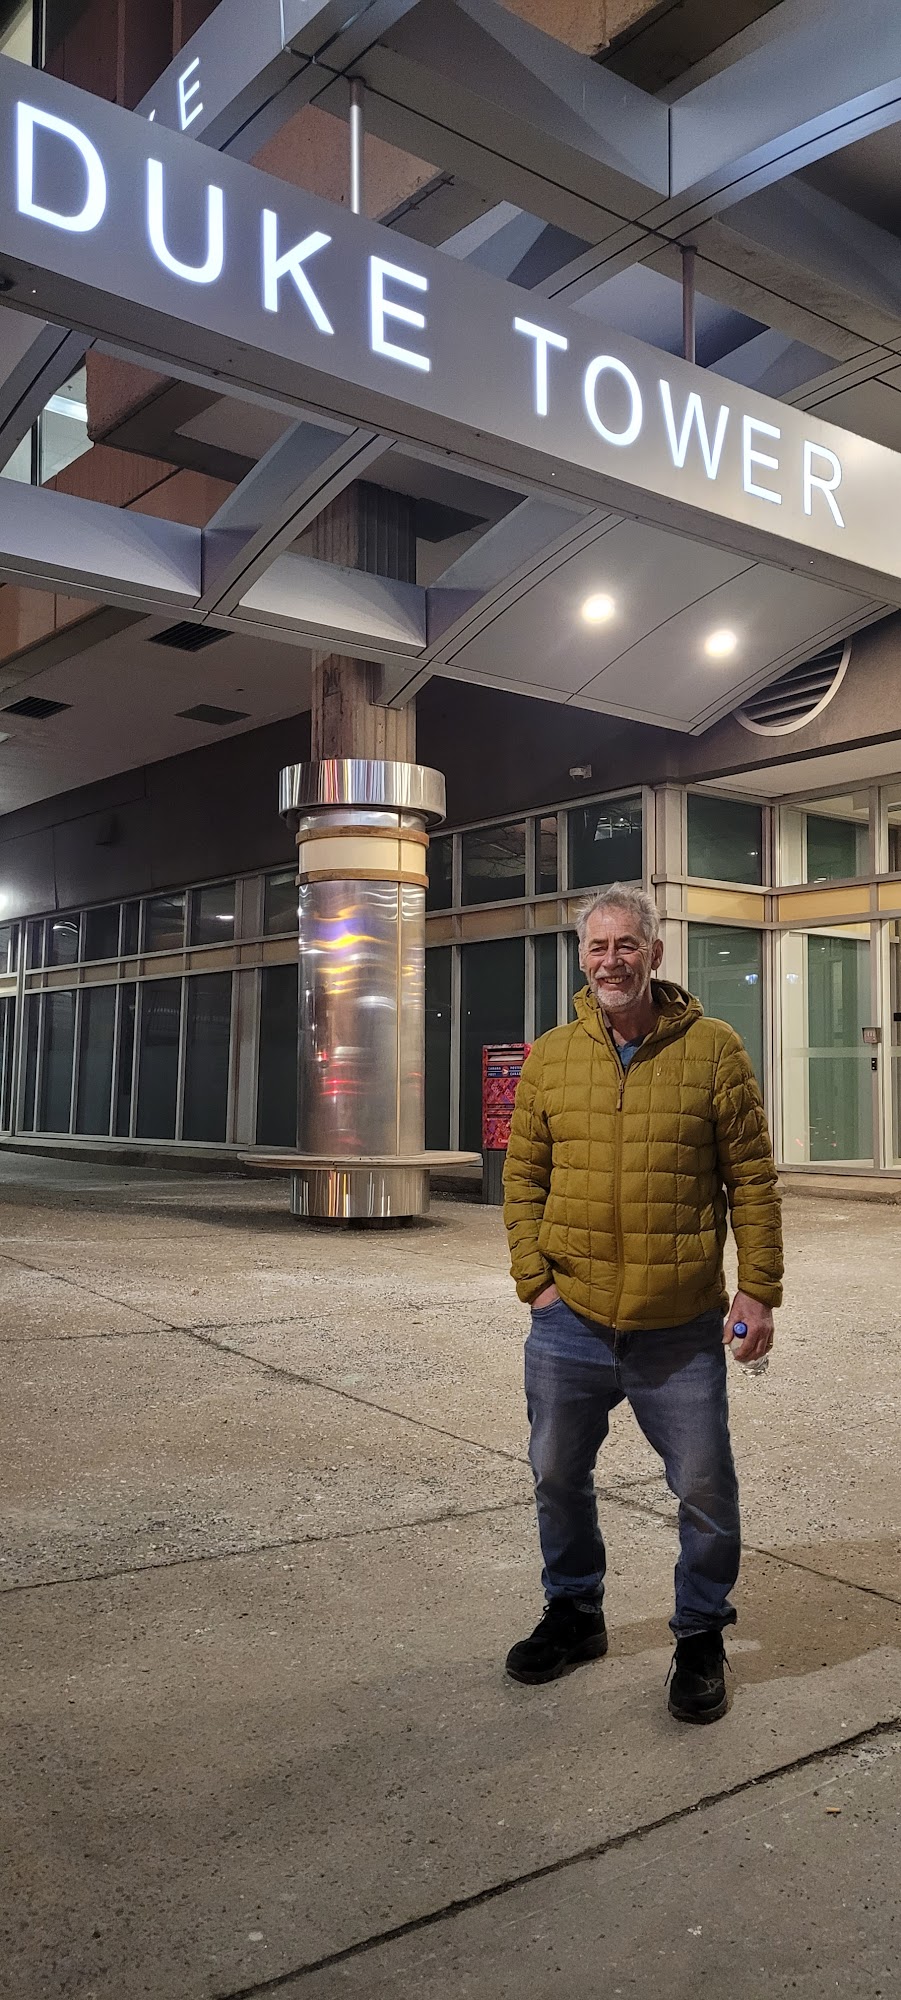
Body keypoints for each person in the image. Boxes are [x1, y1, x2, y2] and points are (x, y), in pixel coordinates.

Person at [502, 883, 782, 1722]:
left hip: (679, 1325)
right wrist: (535, 1283)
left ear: (654, 953)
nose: (611, 961)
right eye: (597, 947)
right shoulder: (551, 1056)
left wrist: (758, 1288)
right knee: (556, 1475)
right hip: (570, 1321)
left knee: (703, 1488)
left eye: (626, 945)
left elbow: (751, 1181)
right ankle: (574, 1612)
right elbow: (522, 1178)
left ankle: (699, 1634)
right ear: (580, 957)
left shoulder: (714, 1049)